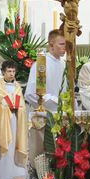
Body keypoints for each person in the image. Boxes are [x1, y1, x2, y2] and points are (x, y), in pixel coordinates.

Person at [24, 29, 67, 164]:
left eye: (65, 44)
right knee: (42, 157)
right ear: (51, 44)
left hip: (61, 116)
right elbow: (31, 93)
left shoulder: (64, 64)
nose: (64, 47)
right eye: (61, 44)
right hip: (43, 118)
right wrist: (55, 102)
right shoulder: (41, 64)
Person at [0, 60, 27, 179]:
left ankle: (16, 178)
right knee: (4, 150)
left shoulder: (18, 87)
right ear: (3, 72)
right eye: (9, 71)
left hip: (16, 120)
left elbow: (23, 104)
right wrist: (5, 107)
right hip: (2, 123)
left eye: (13, 71)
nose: (11, 74)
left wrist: (20, 108)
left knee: (15, 148)